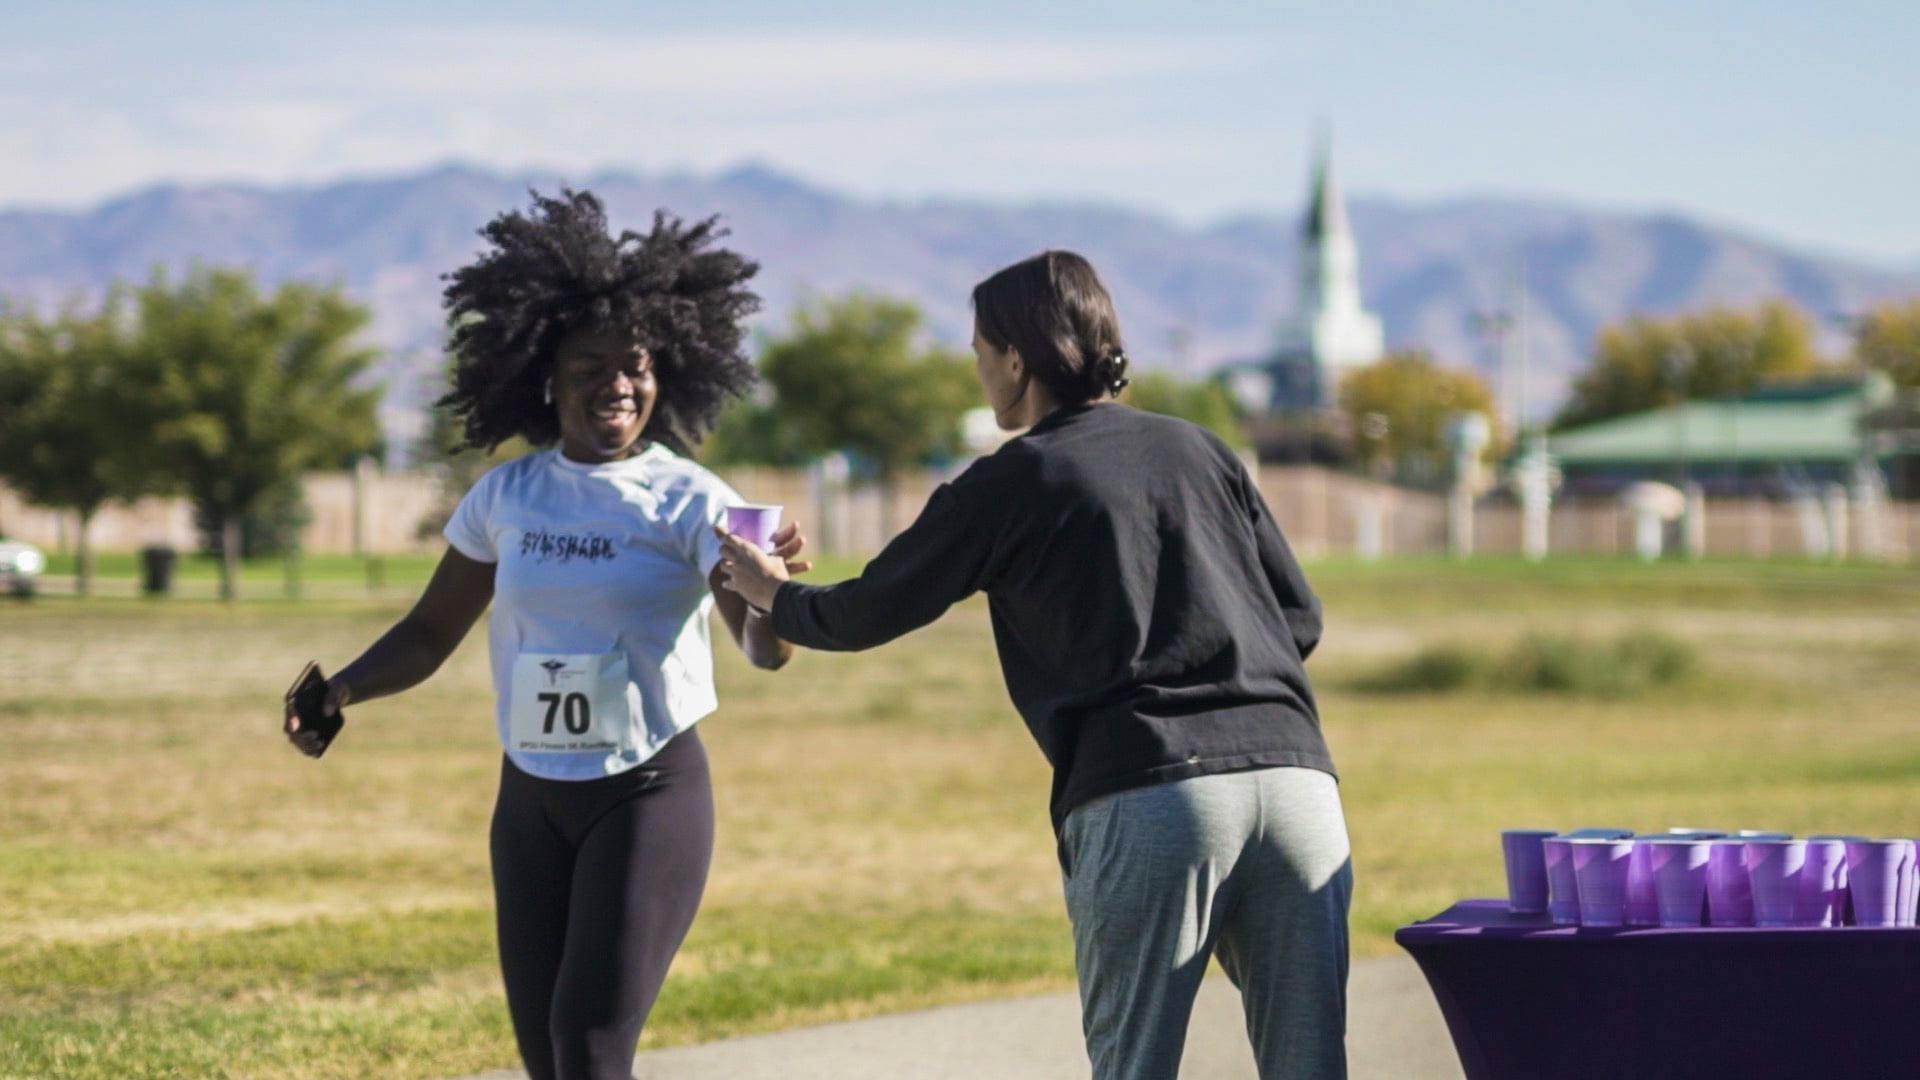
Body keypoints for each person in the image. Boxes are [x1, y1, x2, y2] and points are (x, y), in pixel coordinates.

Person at [717, 250, 1351, 1080]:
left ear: (1016, 359)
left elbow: (870, 610)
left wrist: (773, 596)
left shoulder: (1012, 480)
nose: (978, 371)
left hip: (1151, 791)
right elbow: (1298, 616)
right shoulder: (1204, 450)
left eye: (980, 352)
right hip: (1301, 787)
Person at [283, 189, 807, 1080]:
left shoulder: (694, 501)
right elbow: (428, 631)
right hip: (528, 800)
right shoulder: (507, 497)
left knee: (592, 1045)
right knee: (544, 1057)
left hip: (645, 791)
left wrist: (768, 598)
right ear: (546, 379)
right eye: (592, 364)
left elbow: (765, 650)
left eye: (636, 365)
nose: (619, 383)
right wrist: (340, 692)